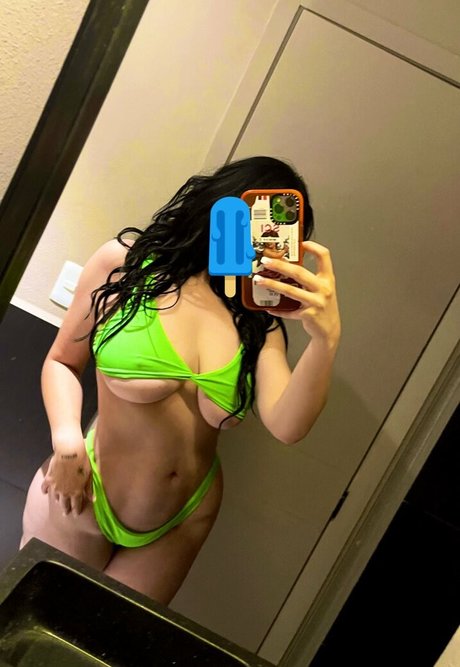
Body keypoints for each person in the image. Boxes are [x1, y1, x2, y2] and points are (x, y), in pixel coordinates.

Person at [21, 156, 341, 605]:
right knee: (29, 622)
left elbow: (288, 427)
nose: (262, 245)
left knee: (106, 640)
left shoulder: (259, 324)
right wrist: (67, 442)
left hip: (183, 521)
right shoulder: (127, 265)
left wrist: (325, 339)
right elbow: (62, 362)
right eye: (254, 224)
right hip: (84, 486)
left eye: (280, 236)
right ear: (222, 209)